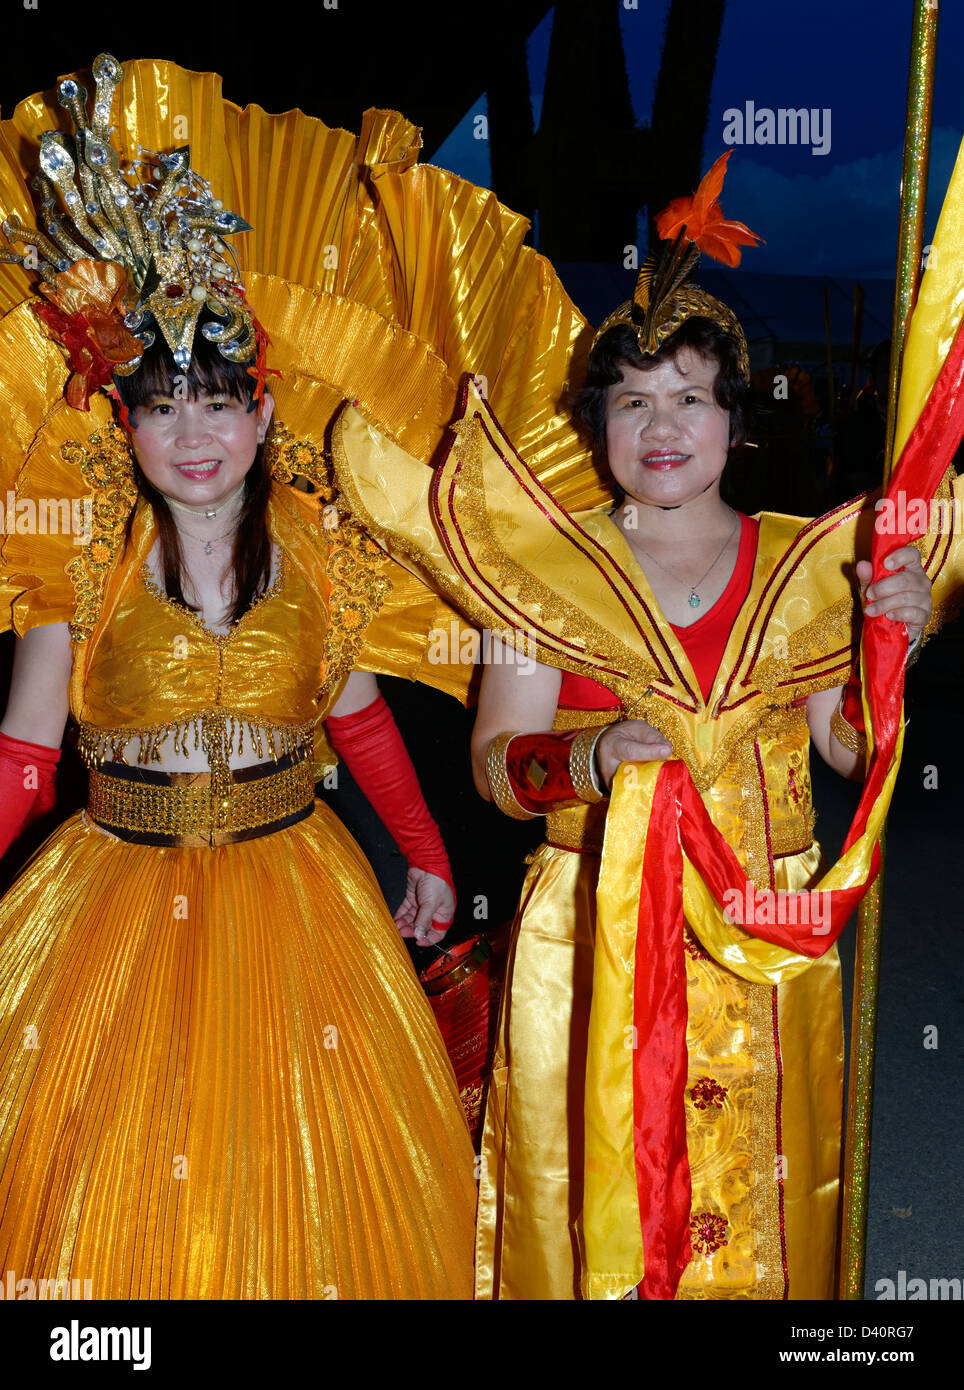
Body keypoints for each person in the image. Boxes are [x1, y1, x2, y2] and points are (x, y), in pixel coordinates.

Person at [330, 153, 963, 1299]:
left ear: (734, 417)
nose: (660, 426)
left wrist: (887, 659)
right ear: (599, 425)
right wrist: (587, 756)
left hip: (766, 935)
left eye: (687, 397)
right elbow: (490, 769)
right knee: (601, 1229)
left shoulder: (803, 565)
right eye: (631, 400)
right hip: (589, 941)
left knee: (771, 1218)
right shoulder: (538, 571)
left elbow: (847, 755)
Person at [0, 56, 483, 1300]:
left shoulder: (323, 551)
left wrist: (425, 852)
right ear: (126, 422)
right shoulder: (82, 552)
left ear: (265, 416)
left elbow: (360, 717)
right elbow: (24, 754)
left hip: (299, 884)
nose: (196, 436)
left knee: (309, 1187)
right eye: (165, 409)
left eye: (221, 402)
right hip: (112, 894)